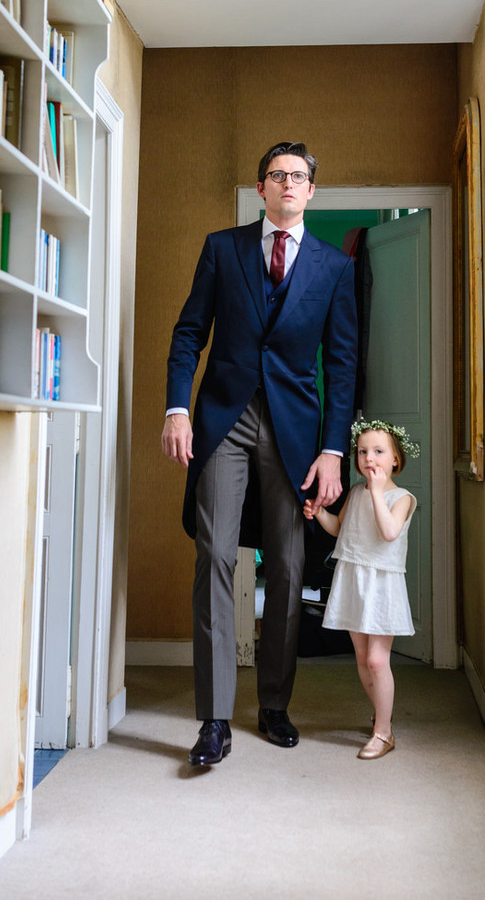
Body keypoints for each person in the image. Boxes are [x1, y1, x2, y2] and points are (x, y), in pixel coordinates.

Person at [161, 141, 358, 766]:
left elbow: (343, 363)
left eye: (299, 176)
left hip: (298, 436)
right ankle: (214, 719)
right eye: (278, 175)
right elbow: (190, 332)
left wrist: (333, 450)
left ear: (311, 191)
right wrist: (177, 408)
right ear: (262, 187)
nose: (288, 185)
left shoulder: (333, 268)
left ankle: (273, 704)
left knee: (292, 567)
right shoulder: (223, 248)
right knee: (215, 556)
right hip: (226, 422)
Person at [303, 417, 419, 759]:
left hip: (382, 584)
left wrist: (378, 492)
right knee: (361, 659)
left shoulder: (401, 498)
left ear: (395, 459)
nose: (370, 458)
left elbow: (388, 532)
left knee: (377, 660)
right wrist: (319, 512)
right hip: (352, 579)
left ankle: (384, 732)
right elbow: (341, 529)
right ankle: (380, 715)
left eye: (379, 452)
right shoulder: (355, 492)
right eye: (363, 451)